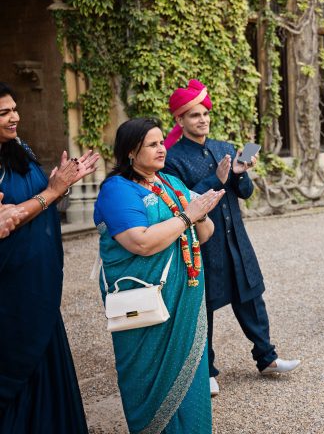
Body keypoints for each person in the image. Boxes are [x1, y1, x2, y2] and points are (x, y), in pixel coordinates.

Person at [163, 79, 300, 398]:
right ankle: (206, 370)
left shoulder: (225, 148)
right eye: (194, 115)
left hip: (236, 236)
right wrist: (217, 178)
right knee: (205, 306)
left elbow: (247, 192)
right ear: (179, 120)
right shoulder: (172, 159)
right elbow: (182, 202)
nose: (203, 120)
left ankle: (267, 358)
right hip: (202, 242)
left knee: (251, 294)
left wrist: (240, 173)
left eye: (206, 113)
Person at [95, 118, 224, 433]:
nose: (162, 149)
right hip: (143, 300)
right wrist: (187, 216)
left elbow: (205, 233)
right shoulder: (117, 190)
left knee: (192, 373)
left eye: (162, 142)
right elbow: (139, 242)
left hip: (185, 297)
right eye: (152, 144)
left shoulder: (171, 183)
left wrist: (201, 214)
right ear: (130, 151)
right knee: (147, 372)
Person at [0, 82, 98, 432]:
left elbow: (32, 202)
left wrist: (59, 185)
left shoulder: (17, 149)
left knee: (45, 357)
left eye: (14, 109)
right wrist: (51, 192)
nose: (15, 118)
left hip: (35, 282)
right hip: (9, 290)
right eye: (4, 113)